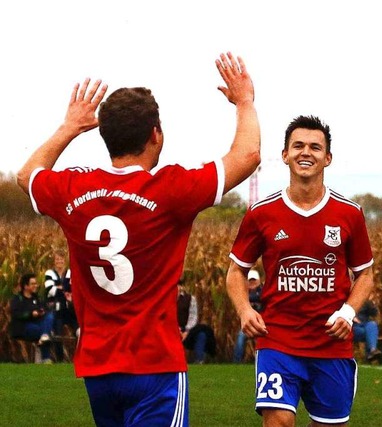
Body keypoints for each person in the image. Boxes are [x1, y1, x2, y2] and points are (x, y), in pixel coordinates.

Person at [16, 52, 260, 426]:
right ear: (155, 134)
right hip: (154, 365)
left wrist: (68, 127)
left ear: (103, 134)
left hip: (98, 368)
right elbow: (247, 155)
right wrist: (244, 101)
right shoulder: (170, 190)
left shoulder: (71, 190)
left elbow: (27, 175)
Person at [226, 115, 374, 427]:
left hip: (332, 345)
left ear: (327, 158)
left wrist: (348, 313)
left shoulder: (349, 213)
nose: (306, 152)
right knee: (277, 421)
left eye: (315, 147)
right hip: (278, 342)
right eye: (298, 146)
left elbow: (365, 274)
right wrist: (243, 310)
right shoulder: (261, 213)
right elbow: (236, 270)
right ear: (285, 155)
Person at [9, 273, 54, 364]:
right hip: (24, 326)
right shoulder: (18, 299)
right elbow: (16, 314)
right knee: (44, 332)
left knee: (50, 316)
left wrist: (42, 311)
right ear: (26, 286)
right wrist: (30, 314)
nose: (36, 286)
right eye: (33, 284)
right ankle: (46, 358)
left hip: (39, 323)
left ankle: (44, 338)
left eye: (36, 283)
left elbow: (45, 308)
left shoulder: (37, 298)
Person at [44, 248, 78, 361]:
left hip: (69, 309)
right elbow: (50, 290)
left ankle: (79, 358)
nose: (59, 261)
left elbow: (73, 288)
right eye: (57, 259)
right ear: (54, 261)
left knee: (79, 331)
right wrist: (65, 289)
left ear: (65, 260)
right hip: (56, 309)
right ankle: (59, 359)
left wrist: (59, 287)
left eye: (61, 259)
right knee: (57, 334)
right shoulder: (49, 273)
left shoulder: (70, 272)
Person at [177, 279, 216, 364]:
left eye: (179, 285)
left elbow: (193, 316)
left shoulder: (190, 299)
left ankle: (199, 360)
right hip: (171, 330)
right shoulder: (166, 299)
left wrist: (186, 331)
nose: (178, 288)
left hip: (187, 330)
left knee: (201, 335)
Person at [233, 268, 263, 363]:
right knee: (241, 337)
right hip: (249, 324)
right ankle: (236, 363)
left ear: (259, 281)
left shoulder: (263, 291)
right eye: (250, 280)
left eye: (254, 280)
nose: (252, 283)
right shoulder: (244, 292)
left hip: (264, 324)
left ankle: (263, 362)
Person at [352, 295, 382, 362]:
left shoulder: (364, 301)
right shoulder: (346, 299)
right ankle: (371, 353)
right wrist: (351, 317)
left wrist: (371, 303)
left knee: (372, 325)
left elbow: (374, 313)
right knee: (368, 333)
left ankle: (372, 350)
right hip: (352, 326)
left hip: (365, 325)